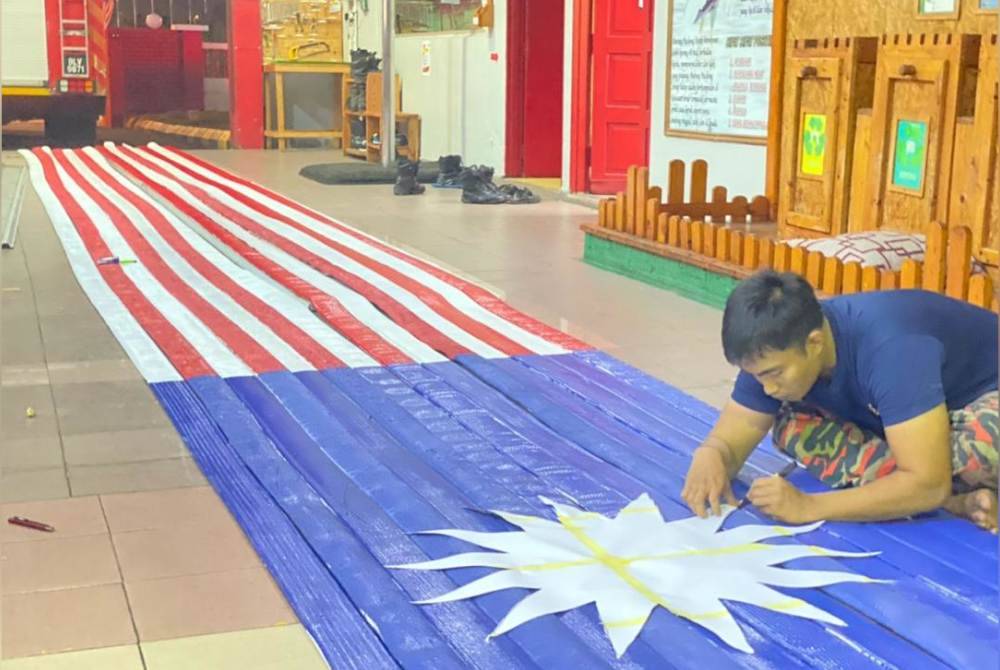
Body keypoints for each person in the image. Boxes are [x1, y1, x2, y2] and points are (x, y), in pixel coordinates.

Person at [681, 270, 999, 531]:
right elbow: (732, 437)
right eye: (757, 376)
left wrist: (808, 506)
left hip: (984, 397)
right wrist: (712, 454)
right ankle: (949, 500)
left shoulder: (891, 348)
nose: (767, 388)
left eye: (773, 374)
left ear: (815, 343)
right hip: (919, 414)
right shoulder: (773, 350)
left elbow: (929, 483)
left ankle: (928, 491)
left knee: (978, 452)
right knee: (793, 427)